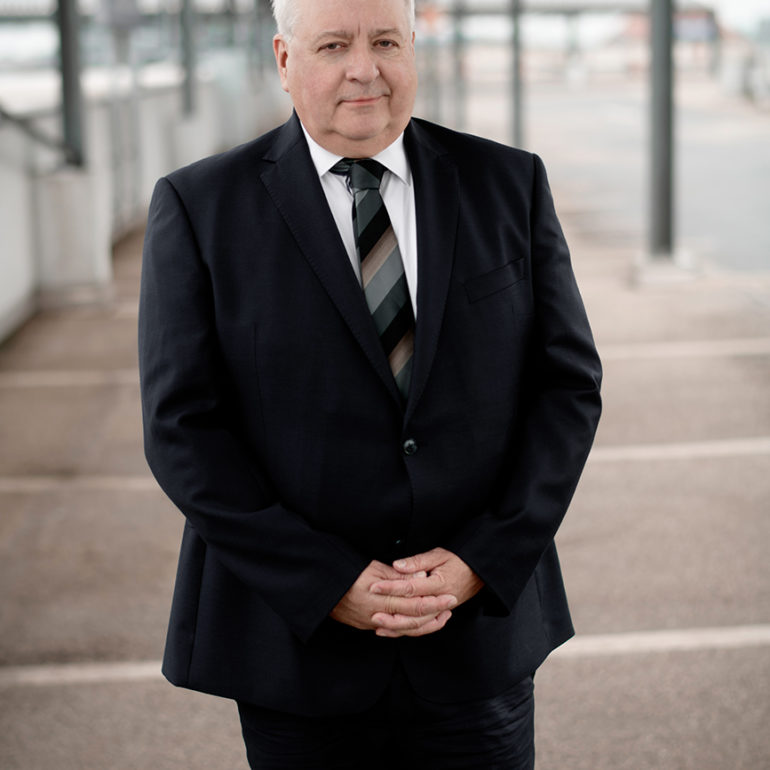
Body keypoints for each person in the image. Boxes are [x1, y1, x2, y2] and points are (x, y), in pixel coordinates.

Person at [138, 0, 602, 766]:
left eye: (386, 41)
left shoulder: (507, 182)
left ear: (413, 49)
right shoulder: (200, 208)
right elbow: (182, 428)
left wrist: (482, 559)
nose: (365, 69)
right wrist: (326, 583)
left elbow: (568, 386)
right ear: (284, 60)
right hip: (299, 654)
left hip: (474, 645)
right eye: (334, 46)